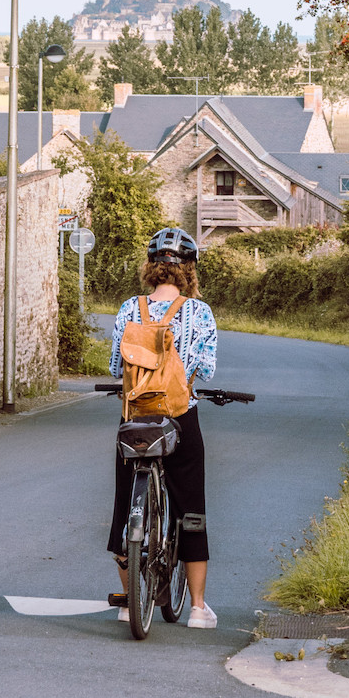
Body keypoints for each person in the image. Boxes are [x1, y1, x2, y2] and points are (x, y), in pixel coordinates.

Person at [106, 226, 218, 629]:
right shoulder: (199, 312)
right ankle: (198, 609)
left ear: (151, 267)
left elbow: (116, 367)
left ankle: (127, 603)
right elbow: (206, 368)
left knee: (124, 507)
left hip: (134, 417)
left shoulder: (127, 309)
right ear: (188, 271)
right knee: (190, 508)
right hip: (179, 416)